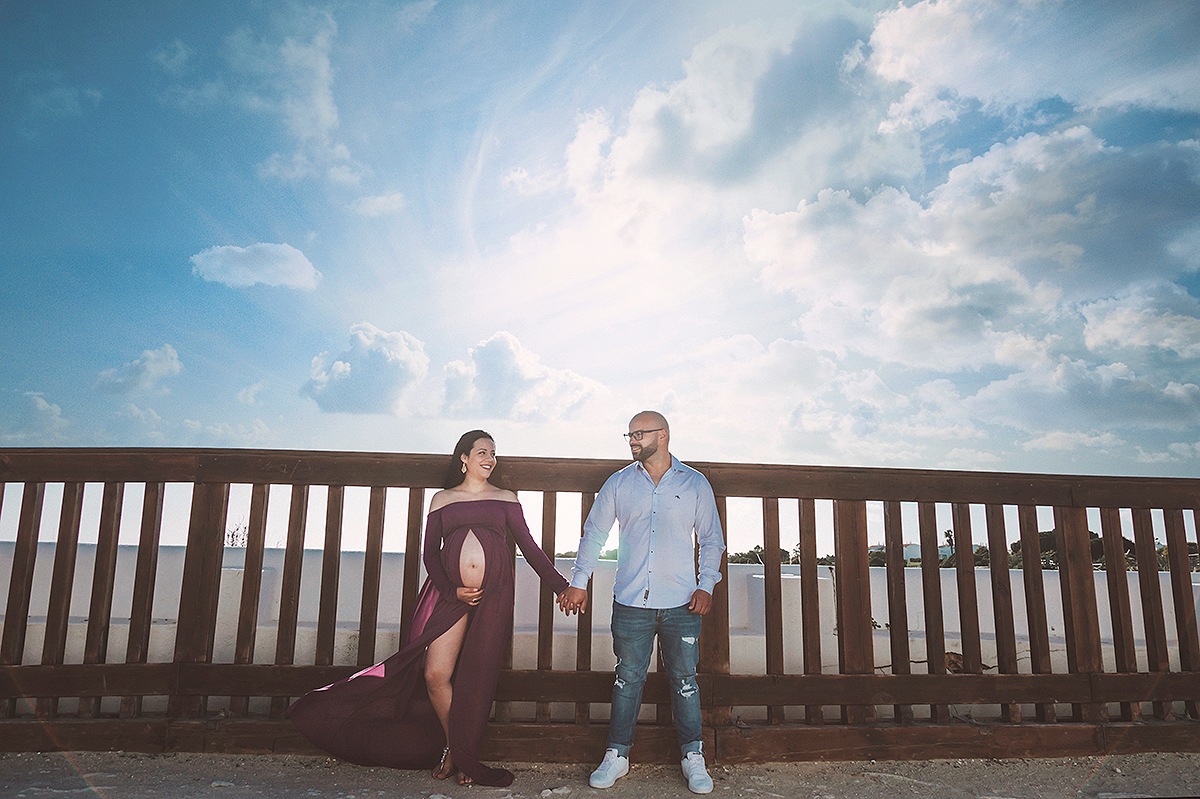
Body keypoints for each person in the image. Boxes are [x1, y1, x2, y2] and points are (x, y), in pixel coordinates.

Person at [288, 430, 570, 787]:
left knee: (477, 678)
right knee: (435, 674)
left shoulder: (505, 498)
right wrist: (453, 590)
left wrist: (563, 587)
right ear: (463, 458)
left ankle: (463, 756)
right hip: (449, 596)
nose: (490, 459)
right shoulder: (443, 499)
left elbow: (530, 548)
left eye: (493, 453)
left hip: (493, 597)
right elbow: (430, 555)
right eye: (482, 452)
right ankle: (457, 748)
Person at [558, 411, 725, 795]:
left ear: (663, 435)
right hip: (631, 602)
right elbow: (595, 533)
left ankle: (693, 756)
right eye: (629, 435)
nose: (632, 440)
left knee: (685, 680)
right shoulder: (618, 483)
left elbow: (711, 539)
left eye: (640, 434)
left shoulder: (694, 483)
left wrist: (706, 585)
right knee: (627, 678)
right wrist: (579, 582)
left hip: (683, 603)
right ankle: (617, 755)